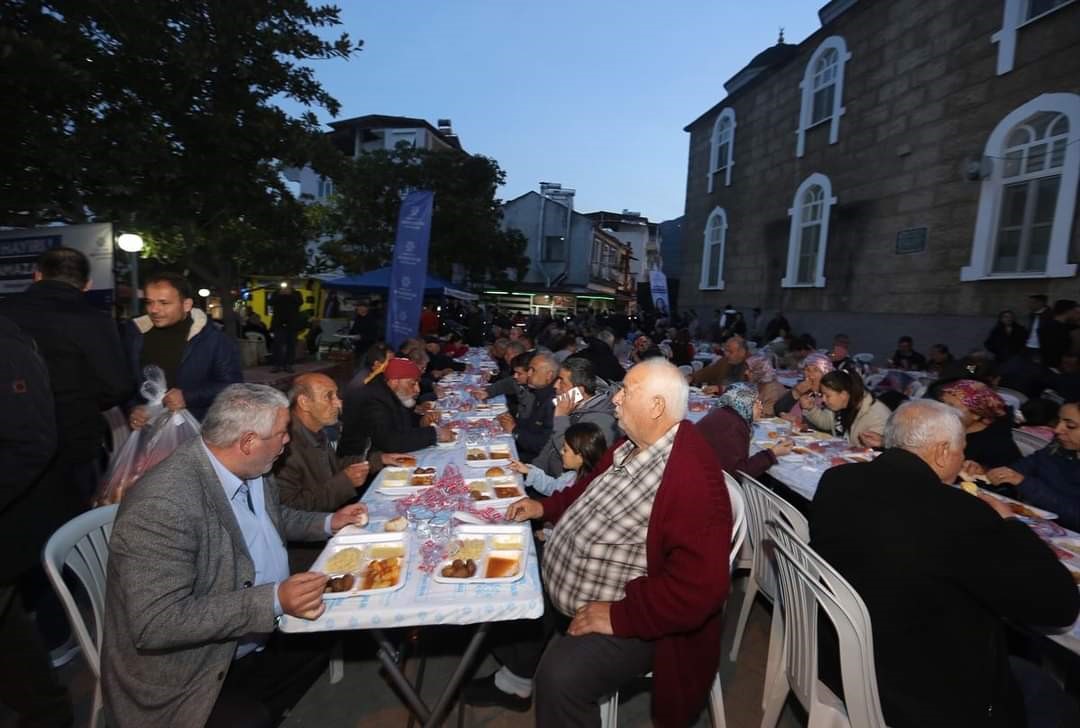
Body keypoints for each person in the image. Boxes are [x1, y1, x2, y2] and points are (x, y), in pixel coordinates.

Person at [101, 384, 370, 727]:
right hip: (191, 670)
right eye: (281, 434)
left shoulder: (251, 467)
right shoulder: (163, 504)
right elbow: (156, 623)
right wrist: (272, 599)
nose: (287, 441)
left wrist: (331, 521)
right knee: (250, 718)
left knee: (330, 635)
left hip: (252, 637)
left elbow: (274, 518)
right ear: (247, 442)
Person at [811, 400, 1080, 728]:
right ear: (941, 452)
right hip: (925, 696)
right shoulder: (961, 516)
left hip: (841, 657)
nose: (962, 459)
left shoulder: (836, 480)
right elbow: (1060, 606)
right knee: (1054, 699)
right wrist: (1011, 525)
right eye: (960, 450)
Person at [499, 359, 732, 726]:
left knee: (561, 680)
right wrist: (543, 507)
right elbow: (582, 492)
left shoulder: (692, 478)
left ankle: (529, 679)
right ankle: (513, 681)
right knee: (510, 584)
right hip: (586, 591)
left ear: (656, 407)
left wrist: (621, 615)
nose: (615, 398)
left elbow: (701, 590)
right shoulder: (629, 444)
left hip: (643, 615)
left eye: (626, 391)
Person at [0, 247, 134, 501]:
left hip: (9, 449)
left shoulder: (5, 313)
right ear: (87, 285)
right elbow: (118, 386)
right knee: (69, 532)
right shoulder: (96, 321)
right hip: (74, 446)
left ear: (37, 276)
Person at [0, 315, 74, 726]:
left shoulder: (7, 347)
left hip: (12, 517)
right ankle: (49, 713)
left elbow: (31, 442)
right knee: (11, 637)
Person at [125, 272, 242, 426]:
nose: (154, 309)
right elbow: (126, 383)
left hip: (198, 430)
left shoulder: (213, 339)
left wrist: (188, 397)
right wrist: (133, 408)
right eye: (149, 302)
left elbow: (233, 386)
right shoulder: (135, 335)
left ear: (186, 305)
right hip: (150, 431)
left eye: (164, 303)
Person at [986, 400, 1080, 532]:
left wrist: (1023, 482)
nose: (1058, 429)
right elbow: (1025, 466)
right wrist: (988, 472)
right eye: (1058, 421)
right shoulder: (1057, 447)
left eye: (1070, 426)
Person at [338, 357, 453, 457]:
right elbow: (389, 441)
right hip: (359, 466)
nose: (418, 389)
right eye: (412, 384)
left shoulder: (387, 392)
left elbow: (398, 420)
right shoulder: (373, 399)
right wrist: (434, 434)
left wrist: (420, 421)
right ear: (394, 381)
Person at [530, 357, 619, 477]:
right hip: (545, 477)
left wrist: (561, 418)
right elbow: (550, 446)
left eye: (562, 381)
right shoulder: (572, 408)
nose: (556, 385)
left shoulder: (602, 422)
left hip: (561, 486)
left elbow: (570, 455)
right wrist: (532, 471)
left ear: (579, 391)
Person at [696, 382, 792, 478]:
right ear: (744, 402)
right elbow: (739, 472)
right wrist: (773, 453)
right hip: (707, 481)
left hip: (699, 470)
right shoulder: (734, 425)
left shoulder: (722, 412)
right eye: (755, 402)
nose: (761, 406)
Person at [936, 379, 1021, 470]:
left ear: (976, 414)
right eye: (942, 403)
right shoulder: (946, 429)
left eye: (951, 406)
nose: (942, 410)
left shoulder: (999, 448)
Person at [509, 422, 608, 496]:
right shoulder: (572, 476)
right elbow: (553, 487)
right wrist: (528, 471)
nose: (561, 452)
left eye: (565, 450)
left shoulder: (585, 489)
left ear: (581, 456)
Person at [800, 369, 890, 447]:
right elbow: (826, 422)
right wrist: (810, 409)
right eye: (822, 394)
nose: (823, 399)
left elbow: (876, 451)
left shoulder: (876, 416)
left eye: (827, 395)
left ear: (843, 394)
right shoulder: (843, 404)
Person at [497, 353, 558, 463]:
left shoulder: (553, 402)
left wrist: (514, 429)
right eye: (529, 369)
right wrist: (513, 422)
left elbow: (544, 445)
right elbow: (531, 426)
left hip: (538, 462)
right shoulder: (540, 393)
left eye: (533, 370)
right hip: (528, 451)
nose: (528, 374)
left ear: (549, 375)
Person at [774, 351, 833, 415]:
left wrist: (799, 421)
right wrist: (795, 393)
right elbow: (778, 409)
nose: (810, 374)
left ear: (825, 374)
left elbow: (824, 422)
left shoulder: (829, 396)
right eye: (807, 370)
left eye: (816, 370)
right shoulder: (801, 388)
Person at [268, 282, 303, 373]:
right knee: (277, 344)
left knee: (291, 345)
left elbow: (299, 302)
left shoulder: (296, 293)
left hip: (292, 324)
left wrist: (291, 294)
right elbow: (271, 302)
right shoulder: (276, 293)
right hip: (279, 323)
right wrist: (280, 294)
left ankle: (289, 364)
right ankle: (277, 365)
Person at [1039, 299, 1079, 371]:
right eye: (1076, 311)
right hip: (1056, 369)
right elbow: (1053, 351)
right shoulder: (1053, 328)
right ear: (1068, 311)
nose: (1078, 314)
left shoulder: (1065, 326)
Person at [1025, 294, 1051, 362]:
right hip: (1028, 345)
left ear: (1040, 303)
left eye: (1032, 302)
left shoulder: (1050, 315)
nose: (1029, 305)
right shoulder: (1031, 315)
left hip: (1041, 347)